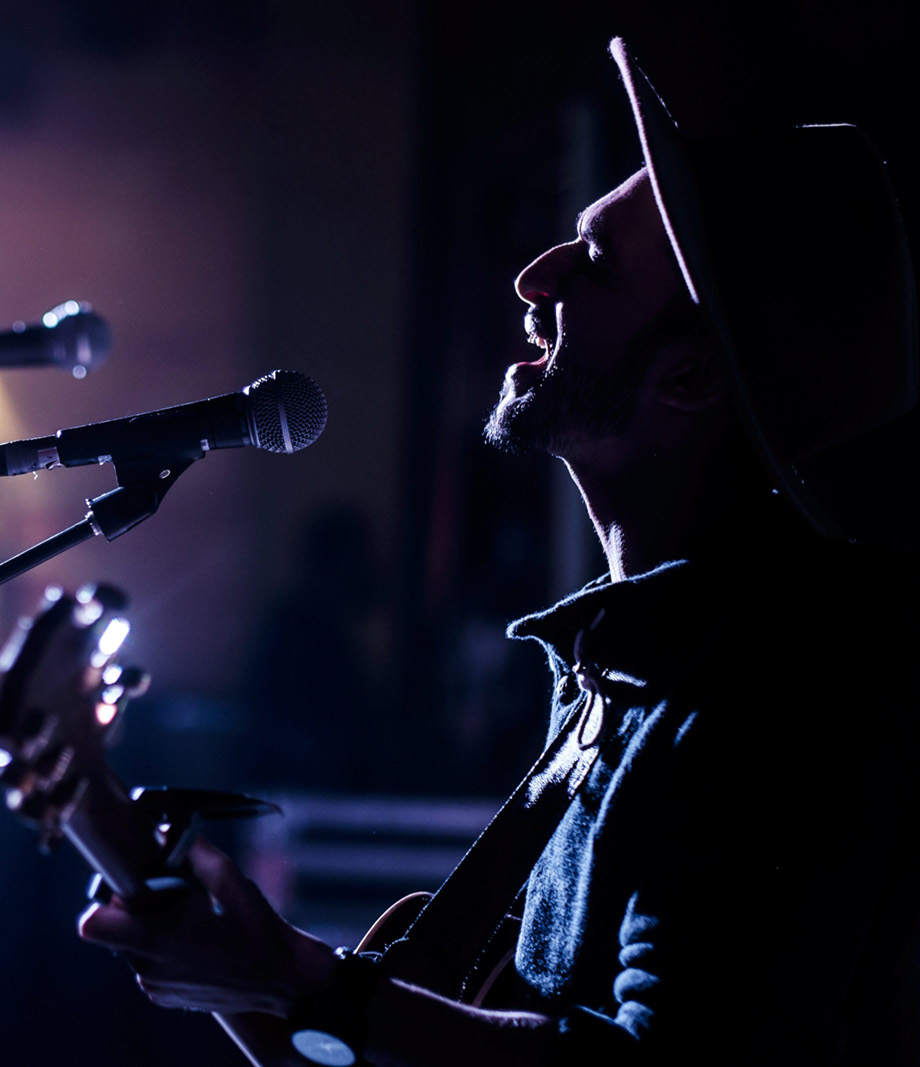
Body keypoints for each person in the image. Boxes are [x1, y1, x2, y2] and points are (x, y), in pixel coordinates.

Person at [77, 39, 920, 1065]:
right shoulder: (624, 677)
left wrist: (296, 979)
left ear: (689, 379)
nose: (535, 274)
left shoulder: (773, 685)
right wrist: (238, 969)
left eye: (594, 264)